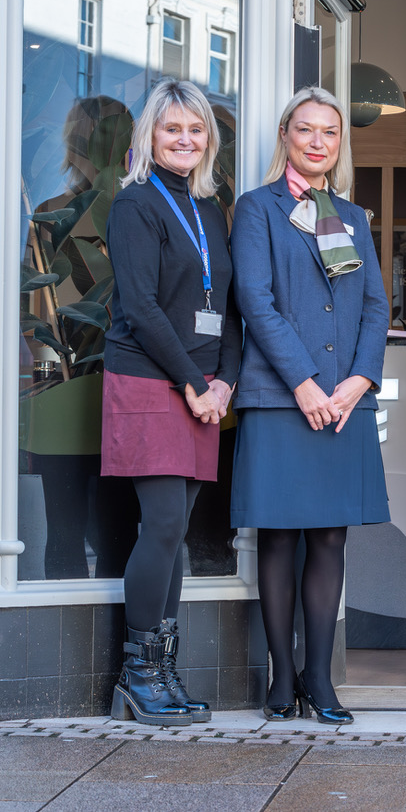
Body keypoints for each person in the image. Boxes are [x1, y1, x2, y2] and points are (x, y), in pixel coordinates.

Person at [229, 87, 390, 725]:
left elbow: (376, 307)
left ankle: (319, 680)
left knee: (329, 538)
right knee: (278, 538)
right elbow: (255, 302)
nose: (319, 141)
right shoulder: (256, 209)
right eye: (306, 130)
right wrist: (303, 382)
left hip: (343, 401)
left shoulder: (353, 216)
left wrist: (359, 381)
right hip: (281, 397)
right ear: (285, 136)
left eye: (330, 132)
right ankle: (282, 676)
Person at [103, 78, 240, 726]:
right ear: (150, 138)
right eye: (171, 129)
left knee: (176, 532)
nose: (184, 140)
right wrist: (193, 380)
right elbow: (140, 306)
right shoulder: (135, 206)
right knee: (160, 525)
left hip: (203, 388)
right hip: (150, 379)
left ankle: (162, 668)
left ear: (208, 139)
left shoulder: (211, 208)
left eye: (195, 129)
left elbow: (228, 306)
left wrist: (225, 381)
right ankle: (136, 675)